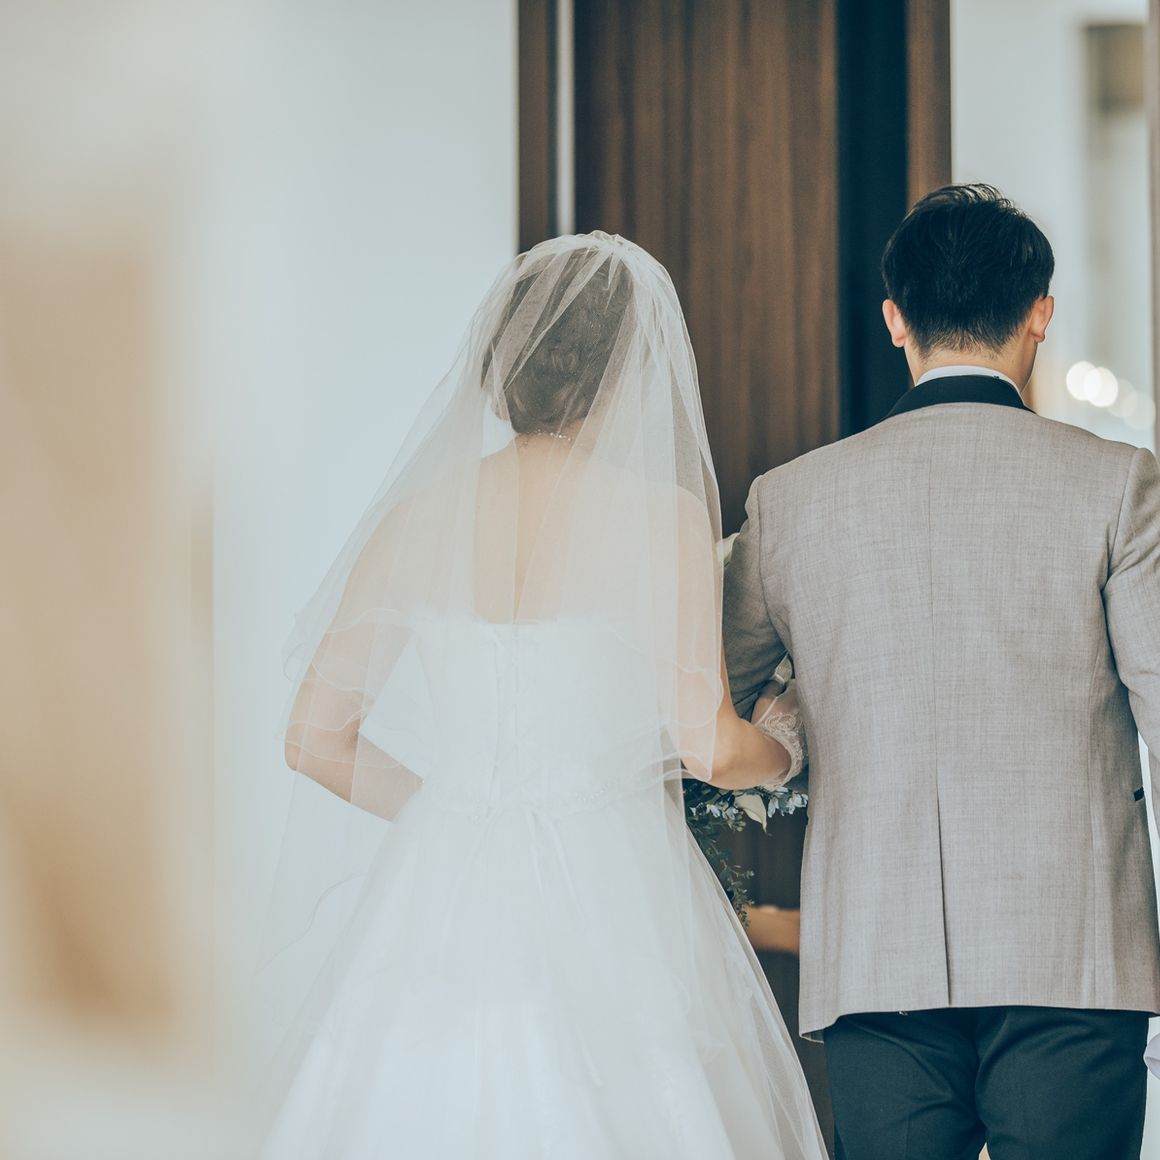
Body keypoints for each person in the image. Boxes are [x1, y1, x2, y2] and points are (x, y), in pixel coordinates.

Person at [251, 233, 827, 1158]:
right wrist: (788, 744)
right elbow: (711, 748)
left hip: (442, 883)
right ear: (624, 377)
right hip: (614, 883)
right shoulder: (659, 519)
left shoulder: (417, 521)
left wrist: (455, 810)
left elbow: (314, 740)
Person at [724, 183, 1160, 1160]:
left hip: (872, 951)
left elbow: (725, 698)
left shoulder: (789, 500)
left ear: (894, 319)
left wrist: (809, 709)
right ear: (1038, 313)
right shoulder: (1114, 481)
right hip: (1073, 948)